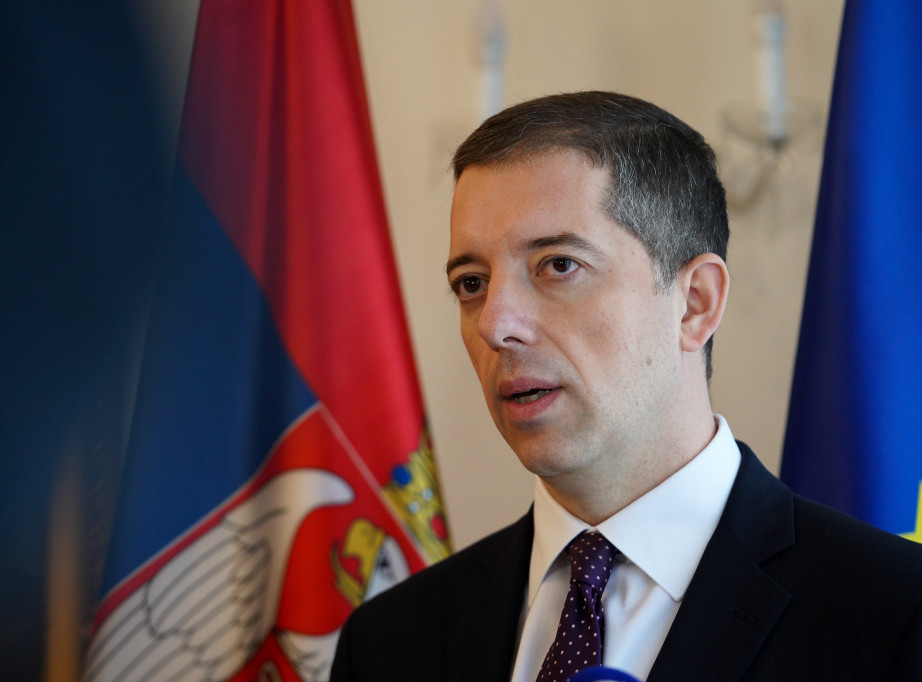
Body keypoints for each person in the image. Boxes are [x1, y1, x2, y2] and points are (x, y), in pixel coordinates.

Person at [330, 91, 922, 682]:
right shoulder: (386, 642)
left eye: (558, 264)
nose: (494, 324)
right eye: (471, 282)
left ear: (695, 303)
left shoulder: (896, 614)